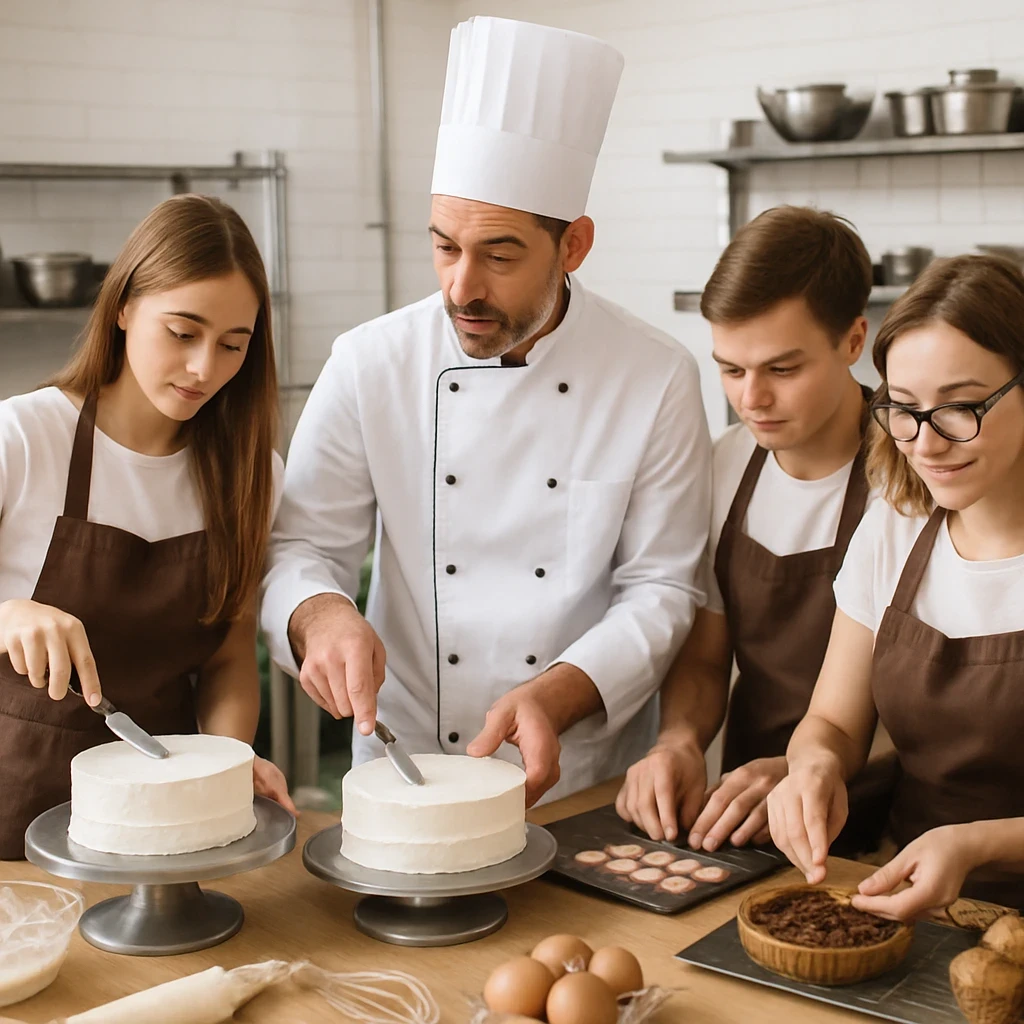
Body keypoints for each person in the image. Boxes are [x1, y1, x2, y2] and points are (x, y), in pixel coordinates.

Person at [261, 16, 712, 806]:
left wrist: (557, 694)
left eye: (500, 255)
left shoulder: (656, 376)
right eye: (443, 246)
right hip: (405, 768)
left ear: (573, 245)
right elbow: (301, 545)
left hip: (579, 774)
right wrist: (321, 614)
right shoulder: (371, 362)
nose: (462, 287)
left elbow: (663, 589)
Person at [0, 194, 294, 860]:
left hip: (165, 827)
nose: (204, 369)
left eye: (232, 345)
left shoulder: (251, 477)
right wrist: (7, 612)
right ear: (125, 307)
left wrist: (226, 761)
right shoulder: (23, 437)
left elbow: (227, 660)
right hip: (10, 814)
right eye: (182, 332)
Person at [617, 207, 895, 851]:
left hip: (890, 821)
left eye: (783, 369)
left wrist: (812, 769)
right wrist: (679, 740)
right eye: (731, 369)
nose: (752, 400)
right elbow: (707, 656)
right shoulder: (723, 463)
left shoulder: (915, 473)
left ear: (854, 342)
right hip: (747, 816)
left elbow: (947, 703)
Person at [768, 254, 1024, 919]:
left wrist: (975, 846)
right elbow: (831, 721)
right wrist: (815, 766)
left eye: (961, 407)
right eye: (903, 410)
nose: (925, 443)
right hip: (916, 905)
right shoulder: (896, 529)